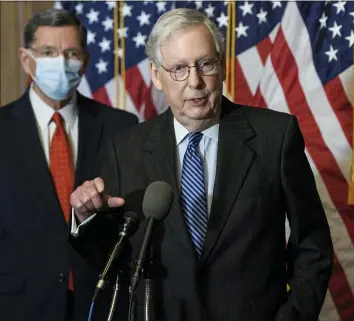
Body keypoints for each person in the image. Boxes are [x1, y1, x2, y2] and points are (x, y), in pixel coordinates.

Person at [70, 8, 333, 321]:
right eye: (179, 69)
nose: (194, 82)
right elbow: (110, 261)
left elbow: (313, 246)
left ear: (221, 67)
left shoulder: (275, 137)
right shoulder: (124, 150)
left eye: (205, 64)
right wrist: (86, 218)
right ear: (156, 75)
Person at [0, 8, 138, 321]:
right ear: (26, 59)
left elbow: (130, 220)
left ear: (85, 60)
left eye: (71, 52)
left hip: (100, 303)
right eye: (48, 52)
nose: (60, 62)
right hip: (18, 306)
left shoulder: (122, 126)